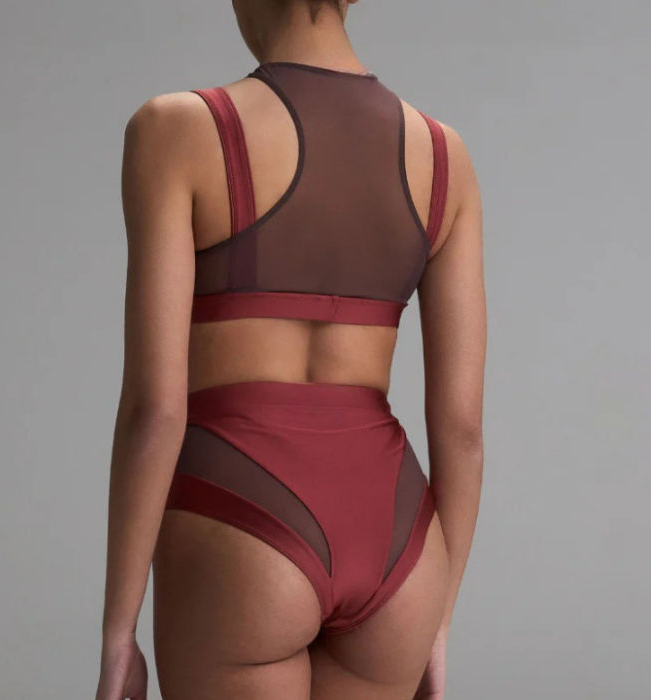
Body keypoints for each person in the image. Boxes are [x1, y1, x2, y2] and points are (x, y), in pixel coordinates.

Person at [95, 1, 485, 698]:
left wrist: (118, 634)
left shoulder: (179, 130)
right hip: (397, 539)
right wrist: (439, 619)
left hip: (244, 521)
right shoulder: (443, 155)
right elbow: (462, 428)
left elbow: (156, 410)